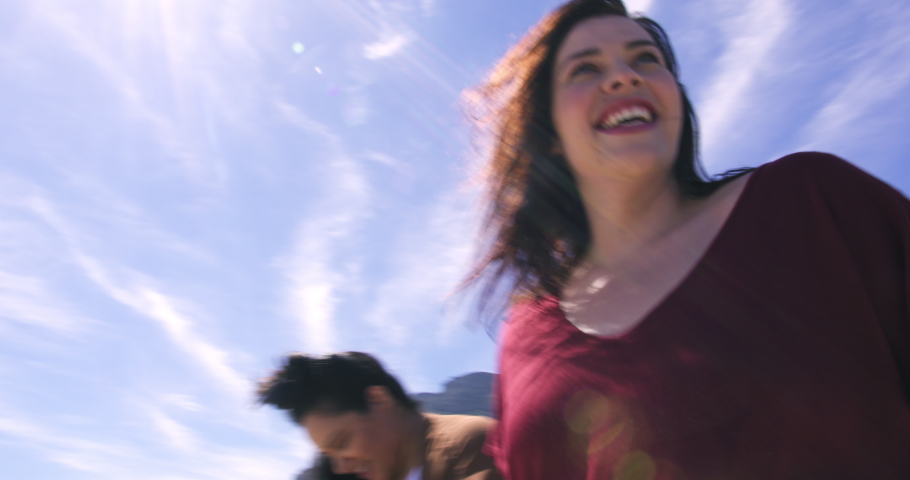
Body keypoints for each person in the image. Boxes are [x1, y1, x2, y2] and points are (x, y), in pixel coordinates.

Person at [462, 0, 910, 478]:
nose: (624, 77)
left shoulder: (813, 201)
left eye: (646, 59)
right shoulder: (524, 335)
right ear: (549, 132)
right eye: (586, 69)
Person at [257, 352, 502, 480]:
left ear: (379, 400)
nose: (341, 467)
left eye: (342, 442)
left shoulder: (472, 446)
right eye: (330, 455)